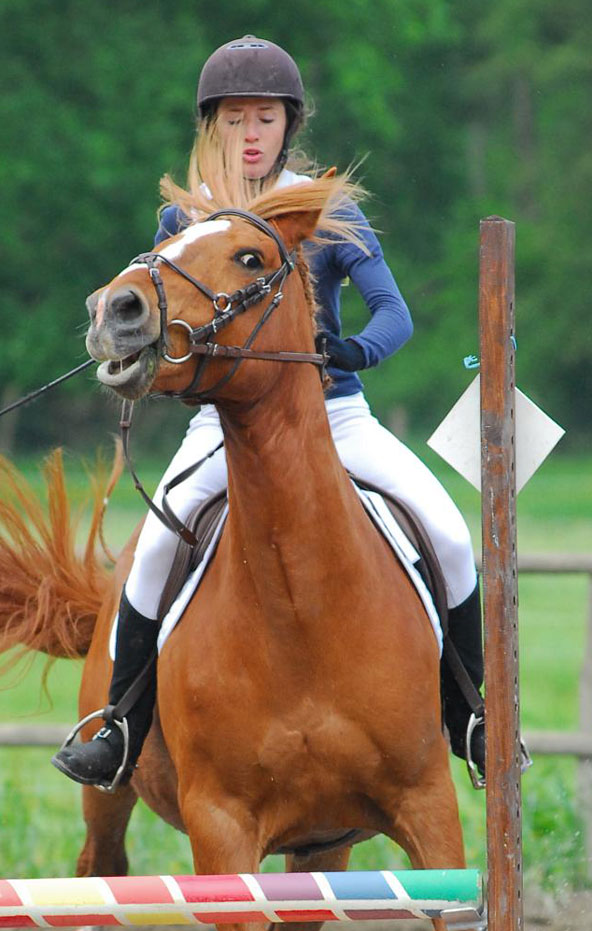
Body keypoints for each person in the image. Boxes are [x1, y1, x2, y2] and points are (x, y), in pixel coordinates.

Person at [52, 35, 484, 790]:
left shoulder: (324, 209)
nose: (250, 136)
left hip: (335, 419)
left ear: (289, 125)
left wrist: (349, 352)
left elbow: (395, 312)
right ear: (211, 127)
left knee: (448, 534)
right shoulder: (183, 220)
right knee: (152, 554)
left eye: (264, 119)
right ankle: (119, 727)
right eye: (234, 120)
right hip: (219, 425)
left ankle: (471, 716)